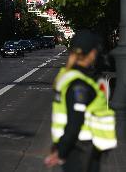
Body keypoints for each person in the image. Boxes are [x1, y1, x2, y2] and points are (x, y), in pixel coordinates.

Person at [44, 29, 117, 172]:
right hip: (81, 150)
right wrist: (61, 151)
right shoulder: (80, 85)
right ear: (90, 53)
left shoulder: (71, 77)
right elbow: (75, 123)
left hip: (80, 149)